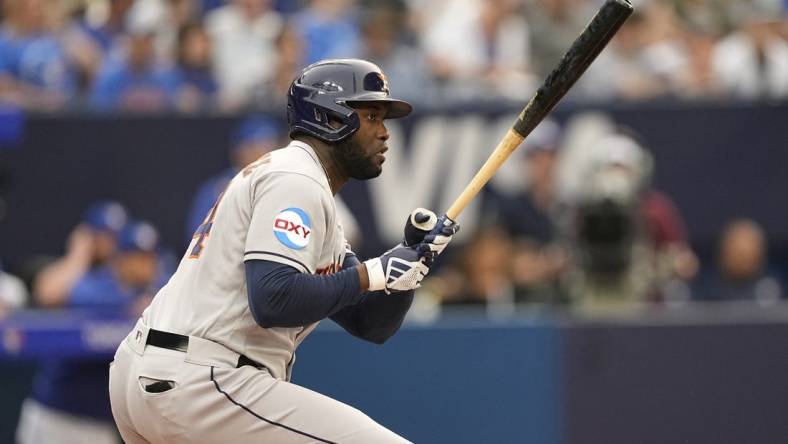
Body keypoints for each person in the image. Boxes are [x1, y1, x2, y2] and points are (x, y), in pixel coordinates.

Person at [109, 59, 459, 443]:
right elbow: (273, 299)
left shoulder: (302, 183)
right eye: (372, 116)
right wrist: (374, 273)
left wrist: (411, 260)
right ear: (330, 119)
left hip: (161, 370)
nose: (384, 133)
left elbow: (369, 323)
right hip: (203, 378)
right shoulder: (296, 178)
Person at [17, 221, 165, 444]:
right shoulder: (96, 285)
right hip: (59, 416)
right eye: (136, 257)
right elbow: (56, 293)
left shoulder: (155, 291)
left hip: (100, 424)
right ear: (121, 259)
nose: (145, 265)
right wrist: (131, 307)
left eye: (149, 257)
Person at [33, 201, 128, 308]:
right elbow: (46, 294)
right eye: (103, 235)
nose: (110, 242)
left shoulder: (125, 268)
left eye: (115, 236)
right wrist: (78, 256)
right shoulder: (78, 271)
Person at [697, 218, 783, 303]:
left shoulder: (771, 289)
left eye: (749, 252)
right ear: (723, 251)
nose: (743, 259)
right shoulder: (708, 291)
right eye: (739, 253)